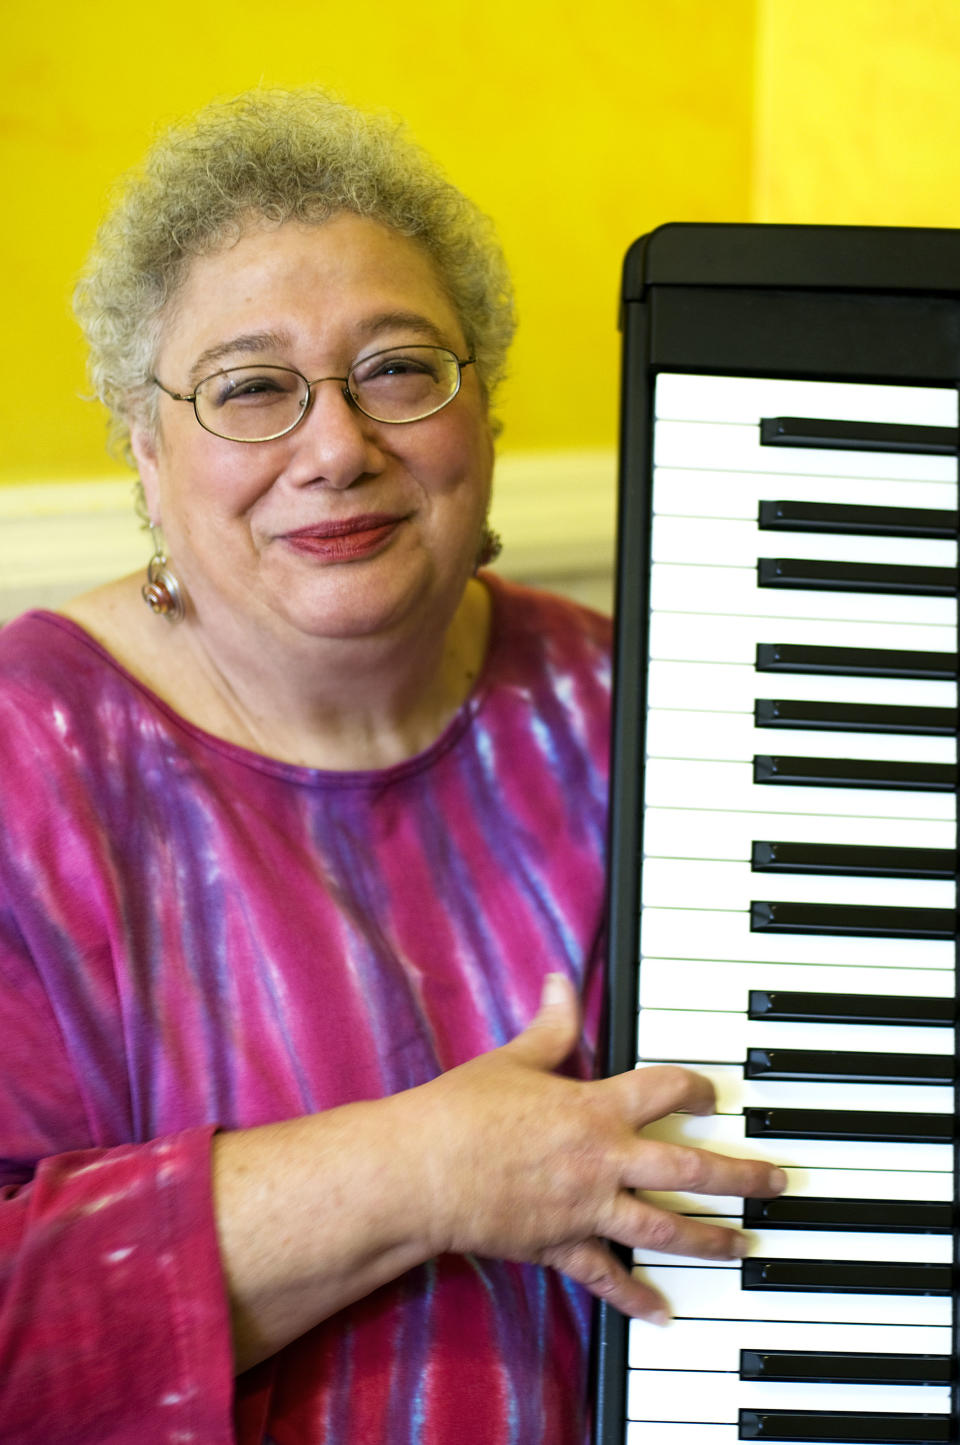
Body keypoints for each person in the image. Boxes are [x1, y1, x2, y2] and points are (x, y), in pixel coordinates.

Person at [0, 89, 784, 1444]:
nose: (337, 447)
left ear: (481, 410)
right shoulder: (29, 762)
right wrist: (433, 1170)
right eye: (251, 389)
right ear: (145, 446)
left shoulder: (644, 703)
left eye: (400, 369)